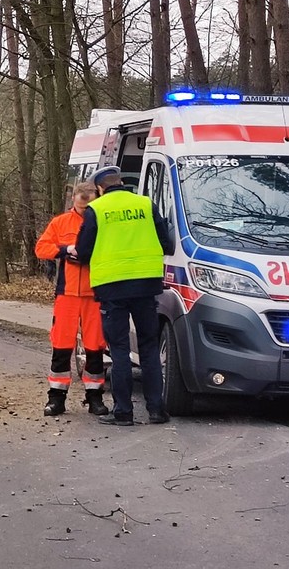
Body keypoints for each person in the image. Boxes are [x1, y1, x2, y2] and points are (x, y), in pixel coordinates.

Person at [73, 167, 176, 426]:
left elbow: (84, 251)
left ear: (99, 188)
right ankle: (156, 410)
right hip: (145, 285)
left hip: (112, 288)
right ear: (122, 183)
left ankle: (123, 412)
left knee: (119, 350)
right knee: (149, 348)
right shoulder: (145, 204)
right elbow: (167, 243)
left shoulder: (98, 209)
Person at [35, 182, 108, 416]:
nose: (84, 210)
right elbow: (42, 248)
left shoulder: (103, 221)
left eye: (88, 207)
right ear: (73, 200)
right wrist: (65, 250)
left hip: (95, 292)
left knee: (95, 346)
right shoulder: (61, 222)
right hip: (67, 293)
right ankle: (56, 398)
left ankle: (95, 397)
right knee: (62, 344)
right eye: (80, 206)